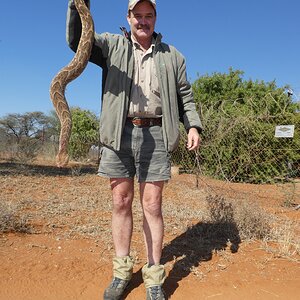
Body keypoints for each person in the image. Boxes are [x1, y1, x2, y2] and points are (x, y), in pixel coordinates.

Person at [66, 0, 203, 299]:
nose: (143, 21)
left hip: (156, 132)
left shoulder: (173, 56)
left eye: (148, 15)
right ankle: (121, 272)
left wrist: (193, 125)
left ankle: (153, 276)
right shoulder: (111, 46)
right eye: (137, 15)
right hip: (119, 133)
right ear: (128, 17)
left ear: (155, 18)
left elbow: (185, 97)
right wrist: (78, 5)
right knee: (121, 201)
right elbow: (77, 41)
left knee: (152, 205)